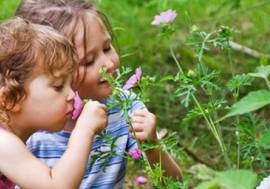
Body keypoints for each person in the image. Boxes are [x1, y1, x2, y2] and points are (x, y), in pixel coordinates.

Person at [16, 0, 183, 188]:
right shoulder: (30, 127)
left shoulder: (125, 108)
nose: (108, 64)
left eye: (107, 48)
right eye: (87, 61)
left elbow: (174, 184)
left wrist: (152, 146)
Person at [0, 17, 107, 189]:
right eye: (58, 86)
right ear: (11, 99)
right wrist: (84, 130)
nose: (72, 95)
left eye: (69, 85)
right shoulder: (2, 143)